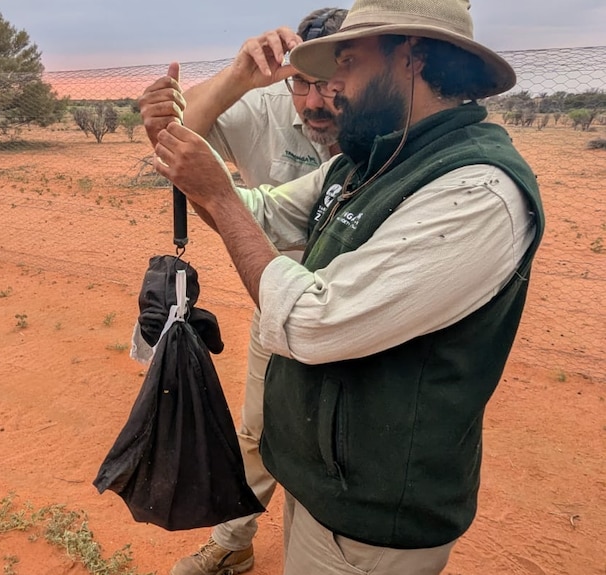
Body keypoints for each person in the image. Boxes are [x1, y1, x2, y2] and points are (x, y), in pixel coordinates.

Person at [142, 0, 546, 573]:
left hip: (373, 519)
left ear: (412, 56)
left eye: (348, 61)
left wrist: (220, 196)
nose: (333, 86)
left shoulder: (476, 191)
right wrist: (186, 161)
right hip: (327, 483)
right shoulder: (369, 161)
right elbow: (264, 215)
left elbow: (313, 321)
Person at [139, 9, 347, 575]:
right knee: (257, 428)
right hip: (274, 294)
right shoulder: (266, 104)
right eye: (302, 82)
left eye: (331, 84)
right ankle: (234, 540)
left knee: (337, 447)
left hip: (358, 308)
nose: (315, 101)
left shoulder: (380, 123)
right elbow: (181, 136)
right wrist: (238, 76)